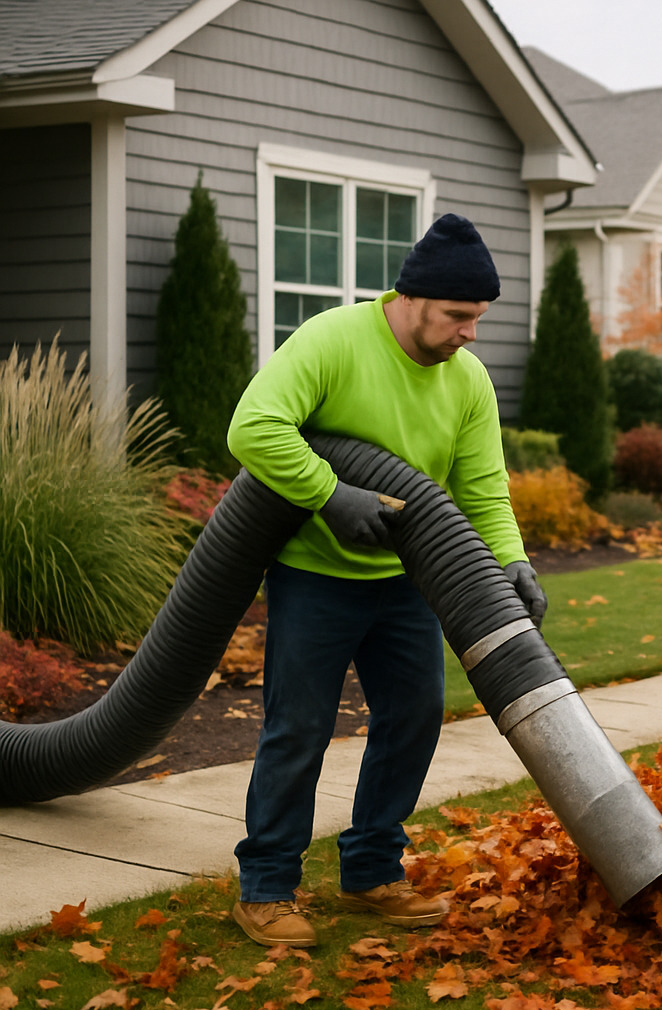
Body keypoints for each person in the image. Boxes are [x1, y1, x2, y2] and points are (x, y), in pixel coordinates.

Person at [225, 213, 548, 947]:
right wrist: (329, 494)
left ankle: (372, 872)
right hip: (315, 575)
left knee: (412, 720)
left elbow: (483, 490)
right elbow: (253, 427)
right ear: (409, 298)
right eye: (458, 316)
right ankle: (267, 887)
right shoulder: (333, 341)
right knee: (298, 729)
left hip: (406, 582)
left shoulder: (467, 381)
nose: (471, 332)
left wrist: (511, 561)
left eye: (480, 317)